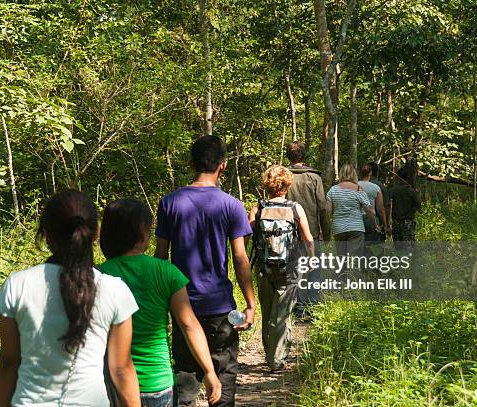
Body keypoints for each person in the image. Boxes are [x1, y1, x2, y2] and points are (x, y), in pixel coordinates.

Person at [0, 190, 140, 407]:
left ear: (45, 234)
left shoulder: (18, 285)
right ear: (96, 234)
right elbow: (121, 369)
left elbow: (8, 361)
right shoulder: (114, 290)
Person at [155, 135, 256, 407]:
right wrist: (251, 303)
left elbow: (161, 257)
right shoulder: (232, 205)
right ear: (222, 165)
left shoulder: (170, 203)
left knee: (185, 373)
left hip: (181, 304)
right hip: (219, 305)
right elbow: (240, 257)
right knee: (224, 372)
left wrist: (161, 301)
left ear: (191, 163)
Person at [99, 198, 222, 407]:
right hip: (157, 381)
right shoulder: (166, 272)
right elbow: (188, 324)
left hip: (113, 383)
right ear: (142, 233)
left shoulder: (98, 275)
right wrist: (209, 371)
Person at [249, 165, 315, 371]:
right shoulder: (295, 208)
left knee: (267, 310)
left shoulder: (257, 208)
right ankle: (277, 358)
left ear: (267, 185)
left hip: (264, 267)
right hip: (290, 268)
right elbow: (307, 238)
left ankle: (270, 352)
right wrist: (311, 259)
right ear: (287, 185)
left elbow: (246, 236)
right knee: (283, 313)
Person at [285, 141, 330, 317]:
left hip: (287, 232)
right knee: (314, 270)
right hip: (312, 232)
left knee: (293, 270)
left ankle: (298, 308)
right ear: (304, 156)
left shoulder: (283, 176)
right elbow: (323, 207)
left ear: (289, 156)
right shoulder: (314, 177)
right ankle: (313, 307)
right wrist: (326, 233)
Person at [326, 164, 377, 261]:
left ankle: (342, 275)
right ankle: (353, 275)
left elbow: (327, 211)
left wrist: (326, 228)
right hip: (356, 229)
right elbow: (369, 210)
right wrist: (375, 224)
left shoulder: (333, 190)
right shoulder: (358, 189)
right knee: (355, 259)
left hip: (339, 229)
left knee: (342, 259)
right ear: (354, 174)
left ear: (341, 174)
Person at [388, 167, 421, 250]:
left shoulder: (392, 190)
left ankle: (400, 262)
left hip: (396, 223)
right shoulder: (411, 191)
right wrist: (417, 195)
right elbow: (419, 206)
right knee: (409, 248)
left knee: (398, 248)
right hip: (408, 223)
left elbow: (387, 206)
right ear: (407, 177)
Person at [358, 164, 390, 245]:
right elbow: (381, 209)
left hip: (356, 220)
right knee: (373, 249)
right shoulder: (376, 187)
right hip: (371, 221)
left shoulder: (354, 186)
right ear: (370, 173)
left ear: (359, 173)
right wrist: (385, 225)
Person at [368, 162, 389, 241]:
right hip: (377, 222)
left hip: (360, 223)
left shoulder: (358, 185)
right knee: (376, 249)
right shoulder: (380, 186)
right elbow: (384, 208)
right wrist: (386, 224)